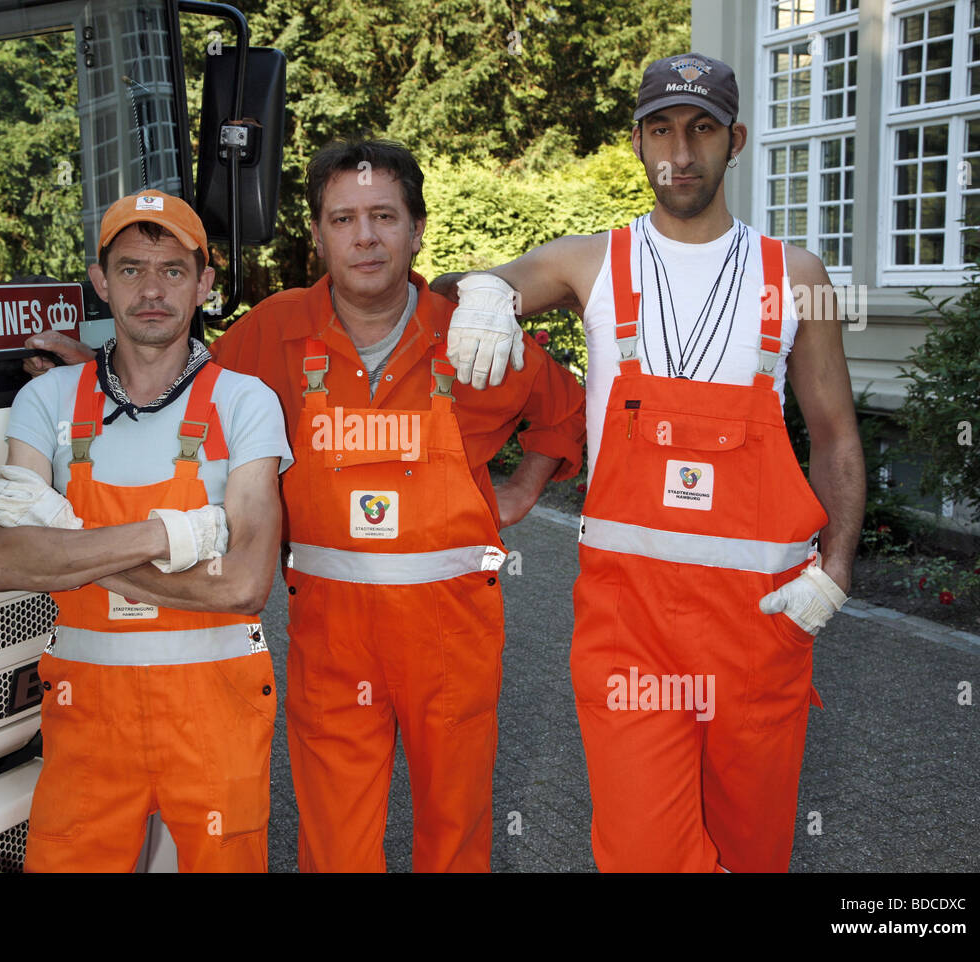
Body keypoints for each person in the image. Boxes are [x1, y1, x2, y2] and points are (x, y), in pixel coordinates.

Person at [31, 140, 587, 872]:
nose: (365, 237)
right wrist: (96, 375)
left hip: (452, 634)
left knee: (456, 832)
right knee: (335, 840)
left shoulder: (468, 331)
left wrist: (520, 489)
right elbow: (187, 388)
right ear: (319, 233)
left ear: (417, 229)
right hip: (332, 634)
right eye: (344, 218)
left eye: (384, 216)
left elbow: (567, 410)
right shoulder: (276, 329)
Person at [433, 53, 866, 873]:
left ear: (734, 139)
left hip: (763, 624)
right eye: (662, 129)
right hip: (630, 631)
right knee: (642, 851)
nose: (682, 150)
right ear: (637, 141)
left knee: (753, 852)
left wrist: (837, 570)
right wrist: (485, 292)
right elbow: (474, 281)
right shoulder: (591, 263)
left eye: (701, 128)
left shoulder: (797, 277)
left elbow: (836, 434)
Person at [0, 189, 292, 872]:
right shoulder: (47, 400)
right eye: (130, 268)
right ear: (99, 281)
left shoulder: (245, 402)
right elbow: (0, 560)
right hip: (90, 716)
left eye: (173, 270)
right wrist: (172, 536)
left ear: (205, 283)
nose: (152, 289)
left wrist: (64, 545)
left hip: (216, 708)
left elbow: (243, 583)